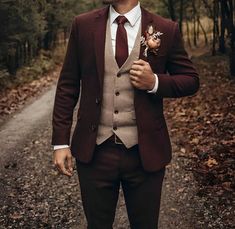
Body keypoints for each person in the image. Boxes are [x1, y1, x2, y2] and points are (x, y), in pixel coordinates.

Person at [52, 0, 199, 228]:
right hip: (94, 152)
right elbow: (67, 86)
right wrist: (60, 142)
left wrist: (155, 82)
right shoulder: (83, 24)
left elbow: (191, 80)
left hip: (145, 152)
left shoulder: (165, 28)